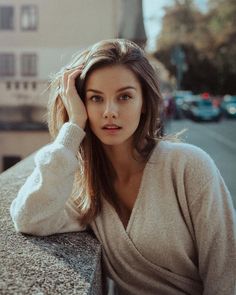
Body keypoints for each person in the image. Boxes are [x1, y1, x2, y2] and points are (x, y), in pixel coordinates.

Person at [10, 39, 236, 295]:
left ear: (144, 103)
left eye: (125, 96)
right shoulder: (84, 186)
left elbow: (226, 275)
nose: (110, 111)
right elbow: (29, 219)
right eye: (95, 98)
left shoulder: (189, 165)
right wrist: (73, 127)